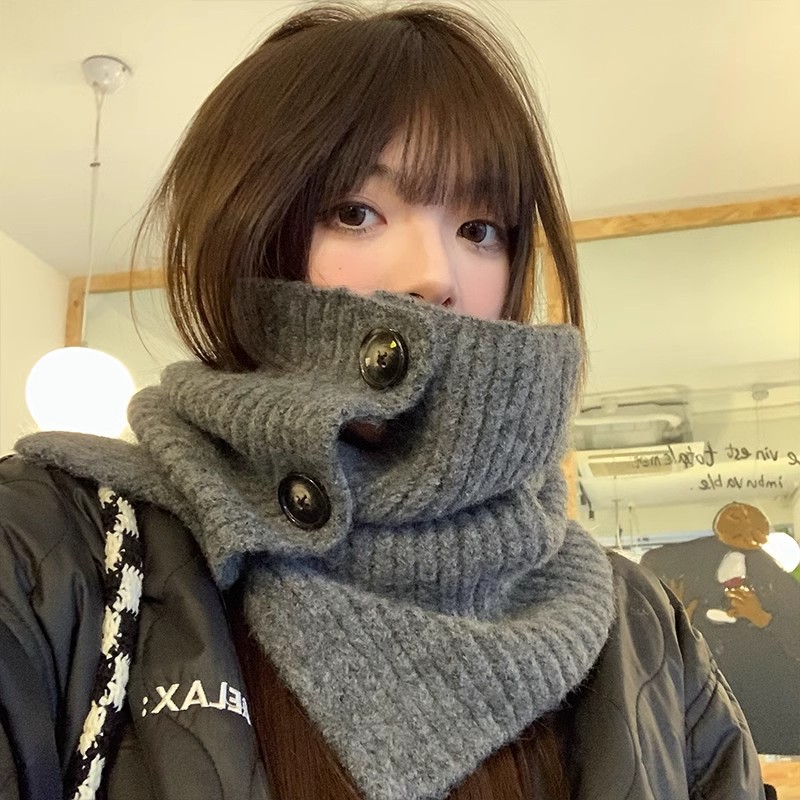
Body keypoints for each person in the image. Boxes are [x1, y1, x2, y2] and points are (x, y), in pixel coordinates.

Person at [0, 4, 769, 799]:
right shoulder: (52, 552)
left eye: (480, 228)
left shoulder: (642, 629)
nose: (434, 275)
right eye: (355, 213)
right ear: (242, 235)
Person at [641, 501, 800, 755]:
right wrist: (677, 622)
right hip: (711, 727)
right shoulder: (687, 576)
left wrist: (762, 617)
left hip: (774, 720)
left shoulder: (773, 581)